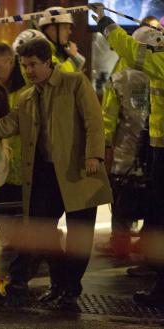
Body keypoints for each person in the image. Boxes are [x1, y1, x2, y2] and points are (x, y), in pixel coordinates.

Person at [0, 38, 113, 308]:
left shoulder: (75, 83)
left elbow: (94, 121)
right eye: (24, 66)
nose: (29, 71)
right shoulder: (26, 97)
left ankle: (69, 290)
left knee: (80, 235)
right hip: (45, 174)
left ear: (48, 62)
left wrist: (94, 154)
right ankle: (60, 285)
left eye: (33, 65)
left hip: (78, 171)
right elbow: (6, 126)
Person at [90, 2, 164, 307]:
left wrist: (105, 19)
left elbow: (133, 51)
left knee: (158, 217)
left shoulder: (152, 61)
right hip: (152, 148)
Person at [94, 26, 155, 259]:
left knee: (121, 200)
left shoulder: (120, 79)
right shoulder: (159, 73)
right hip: (155, 153)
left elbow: (108, 119)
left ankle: (119, 241)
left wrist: (105, 148)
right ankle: (147, 241)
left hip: (124, 155)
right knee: (153, 199)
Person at [0, 42, 27, 251]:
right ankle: (9, 243)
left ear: (10, 61)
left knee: (23, 211)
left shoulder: (28, 86)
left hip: (25, 161)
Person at [38, 6, 86, 72]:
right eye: (65, 27)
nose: (69, 32)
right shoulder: (41, 53)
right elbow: (61, 76)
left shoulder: (59, 51)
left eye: (69, 28)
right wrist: (74, 59)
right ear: (52, 29)